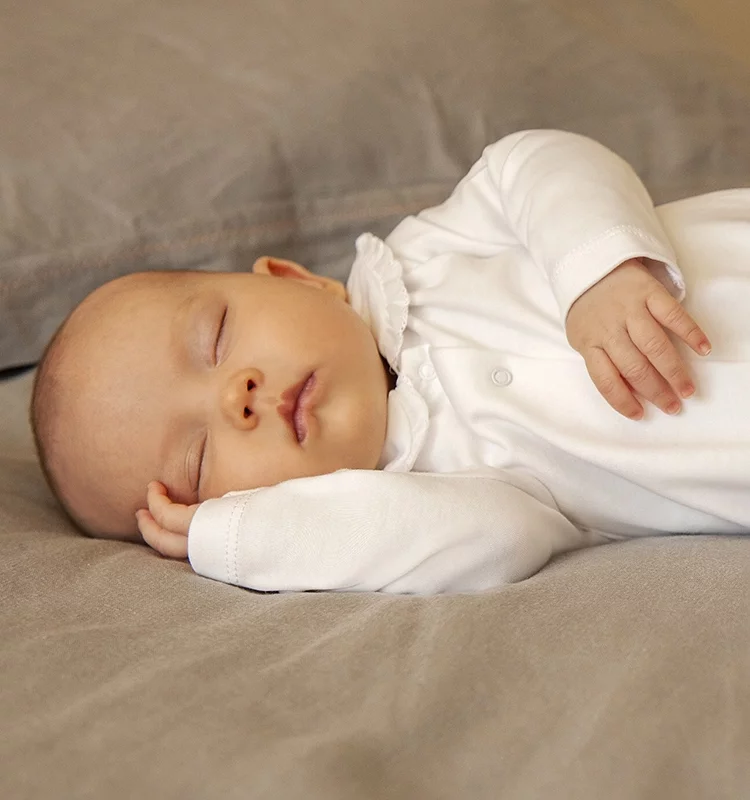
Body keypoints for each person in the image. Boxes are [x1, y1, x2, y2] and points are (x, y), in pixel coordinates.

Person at [31, 129, 750, 595]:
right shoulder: (426, 495)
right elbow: (501, 542)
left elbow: (534, 161)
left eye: (216, 340)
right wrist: (241, 538)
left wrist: (599, 268)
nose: (236, 399)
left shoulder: (430, 253)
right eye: (197, 459)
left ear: (295, 280)